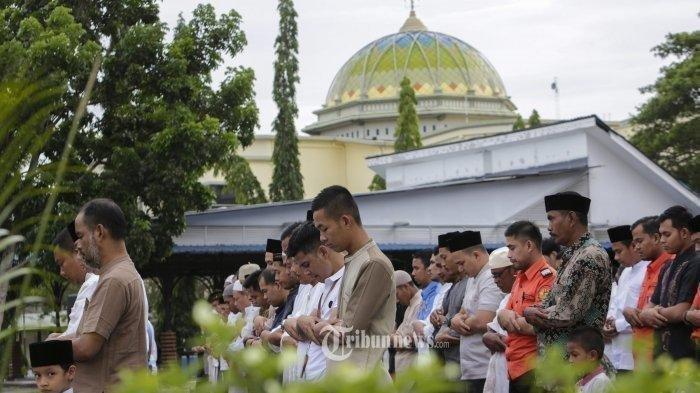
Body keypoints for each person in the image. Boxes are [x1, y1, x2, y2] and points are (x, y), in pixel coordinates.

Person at [310, 185, 395, 380]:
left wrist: (319, 327)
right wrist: (332, 325)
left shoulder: (373, 263)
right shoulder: (354, 260)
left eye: (324, 229)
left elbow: (349, 332)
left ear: (346, 221)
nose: (322, 238)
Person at [66, 198, 147, 392]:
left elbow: (86, 348)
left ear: (99, 232)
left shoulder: (114, 280)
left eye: (80, 235)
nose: (78, 245)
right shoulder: (121, 274)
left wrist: (51, 346)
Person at [524, 192, 611, 355]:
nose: (548, 227)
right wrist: (531, 310)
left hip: (576, 365)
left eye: (551, 218)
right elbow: (553, 301)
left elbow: (569, 311)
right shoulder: (573, 254)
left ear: (571, 218)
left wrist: (529, 314)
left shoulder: (589, 255)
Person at [498, 220, 556, 393]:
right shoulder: (520, 277)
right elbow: (502, 315)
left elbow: (541, 325)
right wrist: (506, 316)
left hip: (535, 370)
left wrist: (509, 318)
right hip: (515, 368)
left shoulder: (548, 278)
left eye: (512, 248)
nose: (509, 255)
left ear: (529, 245)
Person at [287, 221, 346, 381]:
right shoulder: (324, 283)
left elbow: (340, 332)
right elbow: (308, 327)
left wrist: (314, 326)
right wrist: (303, 322)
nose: (306, 272)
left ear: (323, 252)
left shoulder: (348, 280)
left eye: (306, 264)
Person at [448, 230, 505, 393]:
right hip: (472, 368)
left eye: (461, 263)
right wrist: (454, 320)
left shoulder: (490, 277)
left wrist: (458, 321)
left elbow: (483, 321)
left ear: (476, 255)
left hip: (484, 366)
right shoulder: (473, 278)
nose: (460, 269)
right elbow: (463, 312)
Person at [639, 206, 699, 360]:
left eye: (667, 234)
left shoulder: (695, 263)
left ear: (684, 233)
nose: (663, 240)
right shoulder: (667, 266)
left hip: (685, 356)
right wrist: (647, 312)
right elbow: (651, 304)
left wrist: (652, 313)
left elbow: (681, 311)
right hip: (662, 355)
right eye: (660, 235)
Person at [624, 216, 674, 360]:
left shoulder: (670, 267)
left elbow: (663, 311)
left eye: (639, 241)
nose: (636, 247)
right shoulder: (649, 268)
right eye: (634, 243)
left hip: (660, 356)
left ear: (656, 238)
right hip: (642, 356)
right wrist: (629, 312)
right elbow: (645, 309)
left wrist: (641, 314)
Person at [602, 225, 648, 372]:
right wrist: (609, 323)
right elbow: (616, 305)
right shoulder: (625, 273)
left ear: (633, 247)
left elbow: (643, 312)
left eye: (619, 251)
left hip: (636, 354)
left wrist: (618, 325)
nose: (616, 258)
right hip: (617, 354)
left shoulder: (648, 270)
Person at [49, 227, 99, 340]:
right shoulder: (94, 282)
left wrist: (55, 342)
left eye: (61, 263)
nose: (61, 272)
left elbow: (83, 341)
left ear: (77, 250)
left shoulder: (95, 284)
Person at [481, 247, 516, 393]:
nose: (495, 281)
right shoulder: (505, 299)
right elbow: (491, 331)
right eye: (493, 276)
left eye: (498, 275)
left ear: (513, 270)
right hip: (500, 367)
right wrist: (487, 336)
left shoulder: (526, 294)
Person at [433, 232, 468, 366]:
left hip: (463, 363)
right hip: (450, 362)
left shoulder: (470, 282)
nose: (442, 264)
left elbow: (474, 323)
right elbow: (448, 317)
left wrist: (448, 336)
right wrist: (436, 317)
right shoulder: (453, 287)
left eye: (444, 257)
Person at [391, 270, 423, 373]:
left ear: (405, 287)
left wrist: (387, 336)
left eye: (397, 294)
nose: (396, 300)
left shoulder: (420, 303)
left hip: (413, 371)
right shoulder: (410, 306)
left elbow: (411, 342)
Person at [567, 327, 611, 393]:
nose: (570, 360)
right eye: (569, 355)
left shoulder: (600, 382)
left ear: (592, 356)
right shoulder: (580, 383)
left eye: (575, 355)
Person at [412, 251, 440, 321]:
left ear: (427, 269)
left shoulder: (438, 292)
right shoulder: (425, 294)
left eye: (416, 268)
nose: (413, 273)